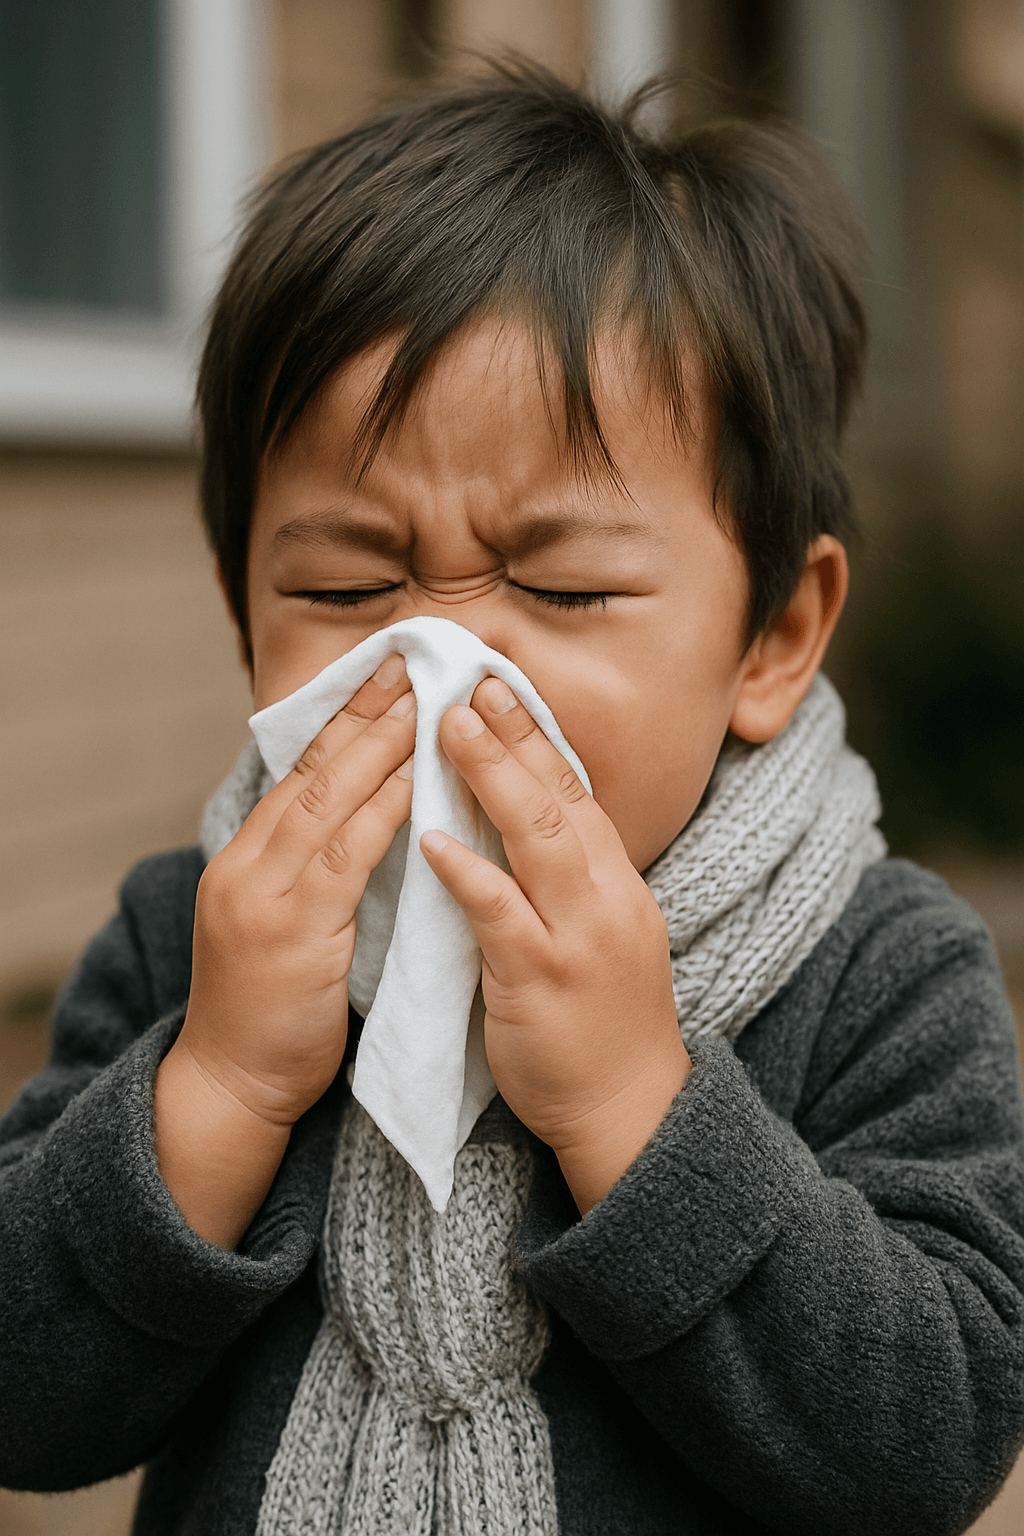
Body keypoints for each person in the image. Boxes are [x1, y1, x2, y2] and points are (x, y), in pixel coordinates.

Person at [2, 62, 1023, 1536]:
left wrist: (635, 1104)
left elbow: (931, 1441)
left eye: (564, 586)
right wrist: (216, 1090)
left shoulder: (880, 970)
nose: (450, 665)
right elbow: (27, 1408)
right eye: (349, 588)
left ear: (773, 636)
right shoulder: (189, 939)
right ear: (244, 623)